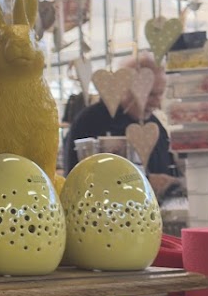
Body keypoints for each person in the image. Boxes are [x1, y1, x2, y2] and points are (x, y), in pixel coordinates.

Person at [62, 54, 180, 195]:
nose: (157, 103)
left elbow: (170, 170)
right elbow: (75, 183)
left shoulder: (154, 126)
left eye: (160, 95)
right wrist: (144, 183)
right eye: (151, 95)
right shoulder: (89, 122)